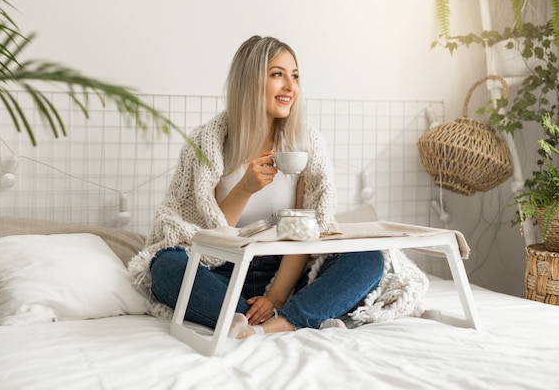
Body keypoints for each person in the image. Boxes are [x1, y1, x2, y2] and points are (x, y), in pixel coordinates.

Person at [128, 35, 386, 339]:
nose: (291, 86)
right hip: (220, 271)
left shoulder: (305, 147)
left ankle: (276, 322)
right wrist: (244, 189)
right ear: (249, 82)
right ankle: (259, 314)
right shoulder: (205, 145)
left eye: (295, 76)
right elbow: (202, 236)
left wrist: (276, 296)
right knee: (167, 265)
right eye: (278, 75)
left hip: (286, 273)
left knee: (368, 257)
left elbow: (305, 232)